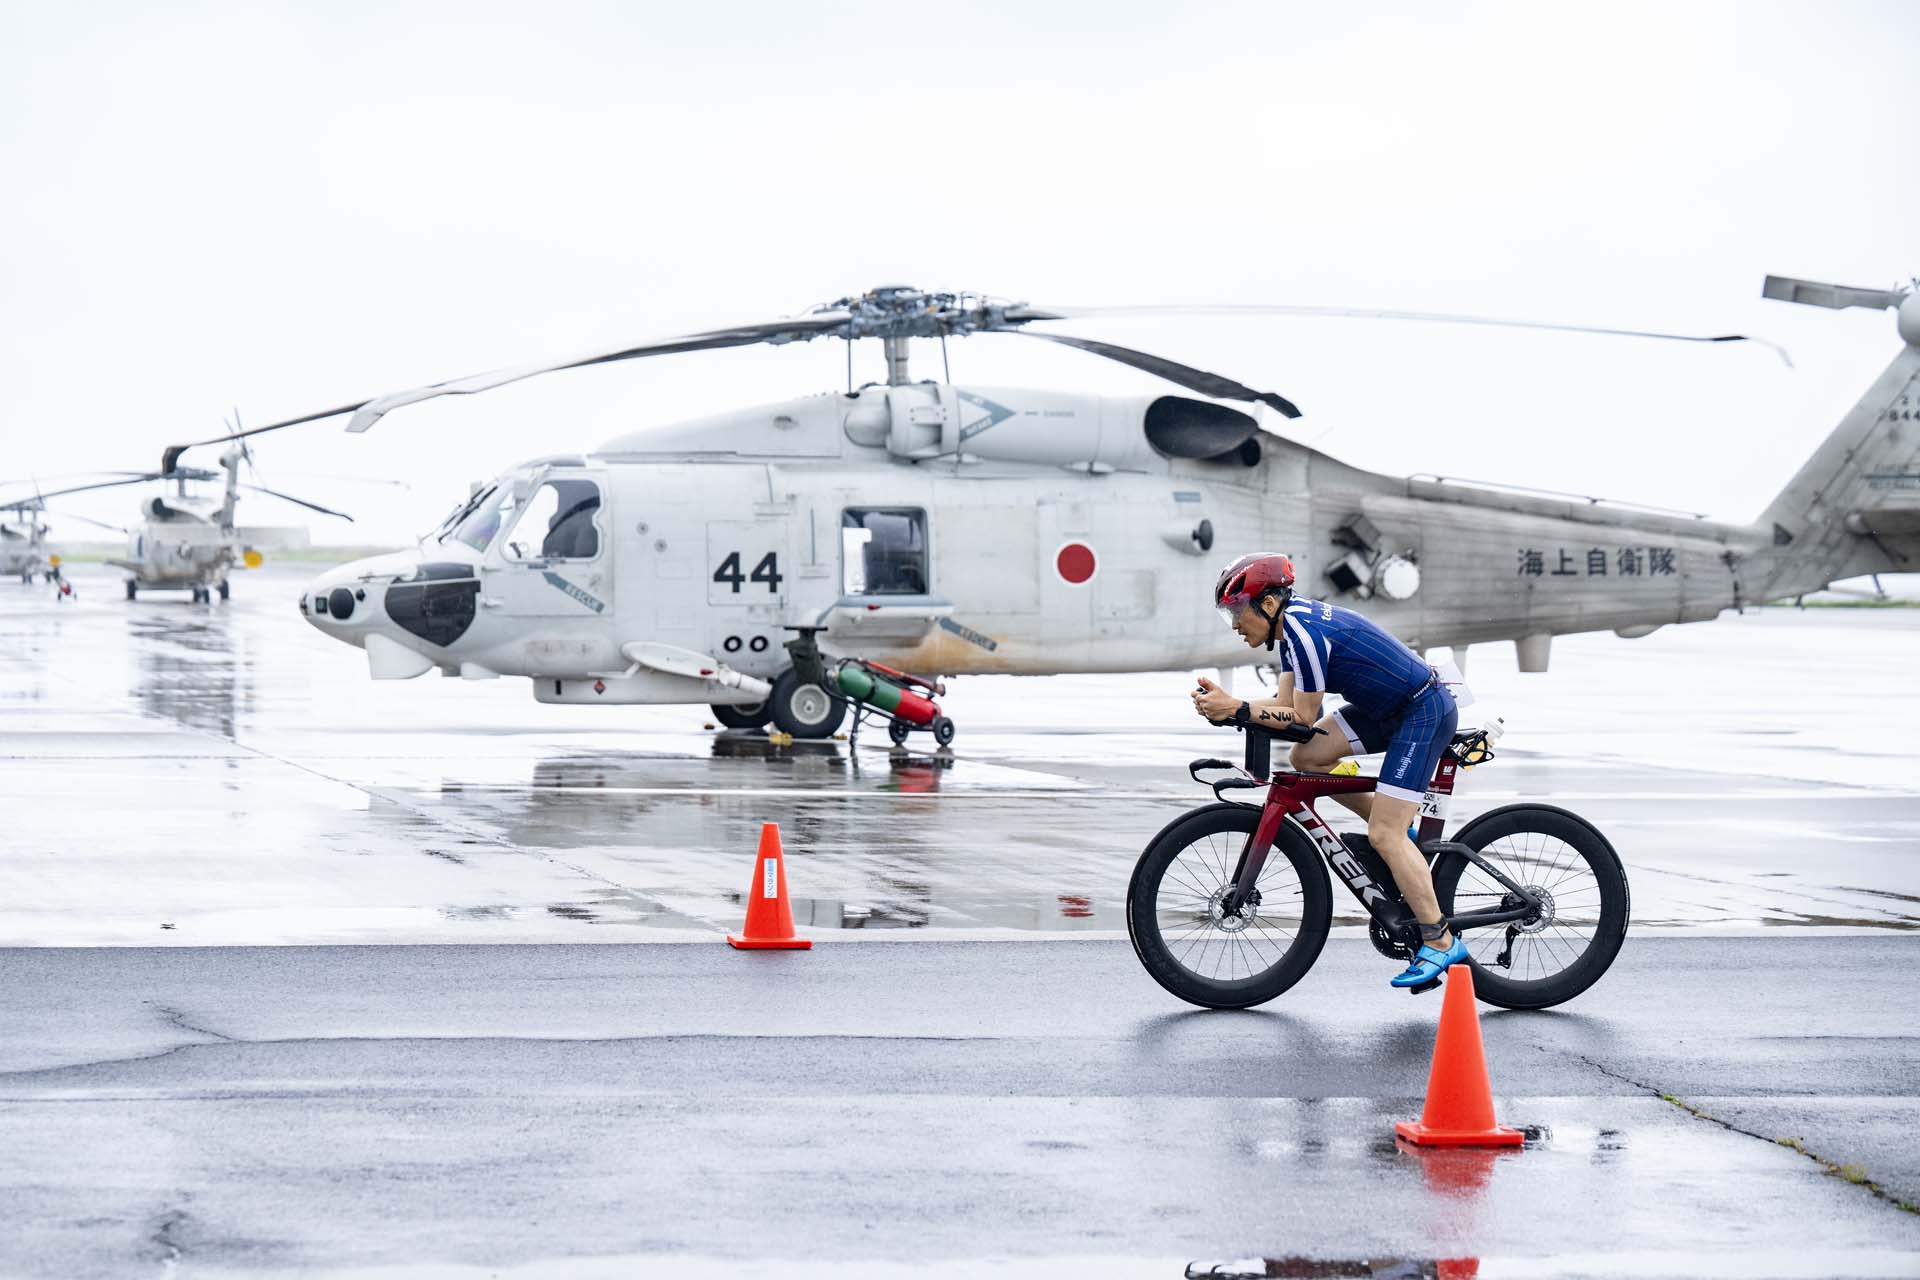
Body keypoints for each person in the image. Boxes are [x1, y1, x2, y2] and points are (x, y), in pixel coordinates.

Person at [1191, 551, 1467, 989]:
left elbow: (1299, 720)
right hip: (1388, 708)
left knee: (1383, 834)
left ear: (1267, 603)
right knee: (1309, 759)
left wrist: (1238, 709)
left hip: (1421, 711)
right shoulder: (1292, 630)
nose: (1236, 626)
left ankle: (1439, 940)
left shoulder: (1303, 631)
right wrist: (1232, 706)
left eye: (1237, 613)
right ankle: (1403, 836)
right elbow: (1285, 710)